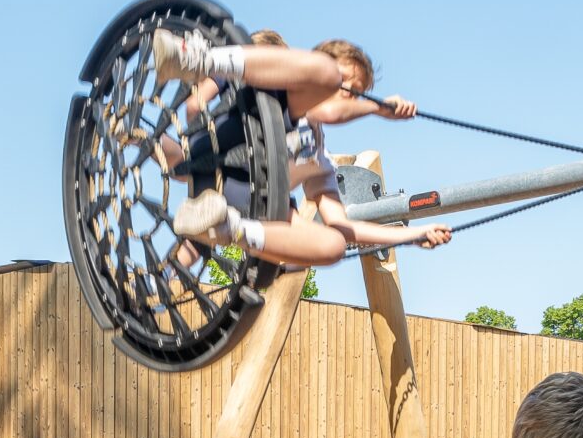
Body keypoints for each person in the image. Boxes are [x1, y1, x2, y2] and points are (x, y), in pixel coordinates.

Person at [154, 34, 454, 266]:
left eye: (356, 91)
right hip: (220, 142)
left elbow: (343, 226)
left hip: (236, 206)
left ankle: (229, 229)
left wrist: (411, 235)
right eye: (346, 84)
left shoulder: (318, 159)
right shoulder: (285, 95)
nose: (347, 94)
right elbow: (326, 108)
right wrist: (376, 106)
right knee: (322, 75)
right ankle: (199, 60)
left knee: (332, 246)